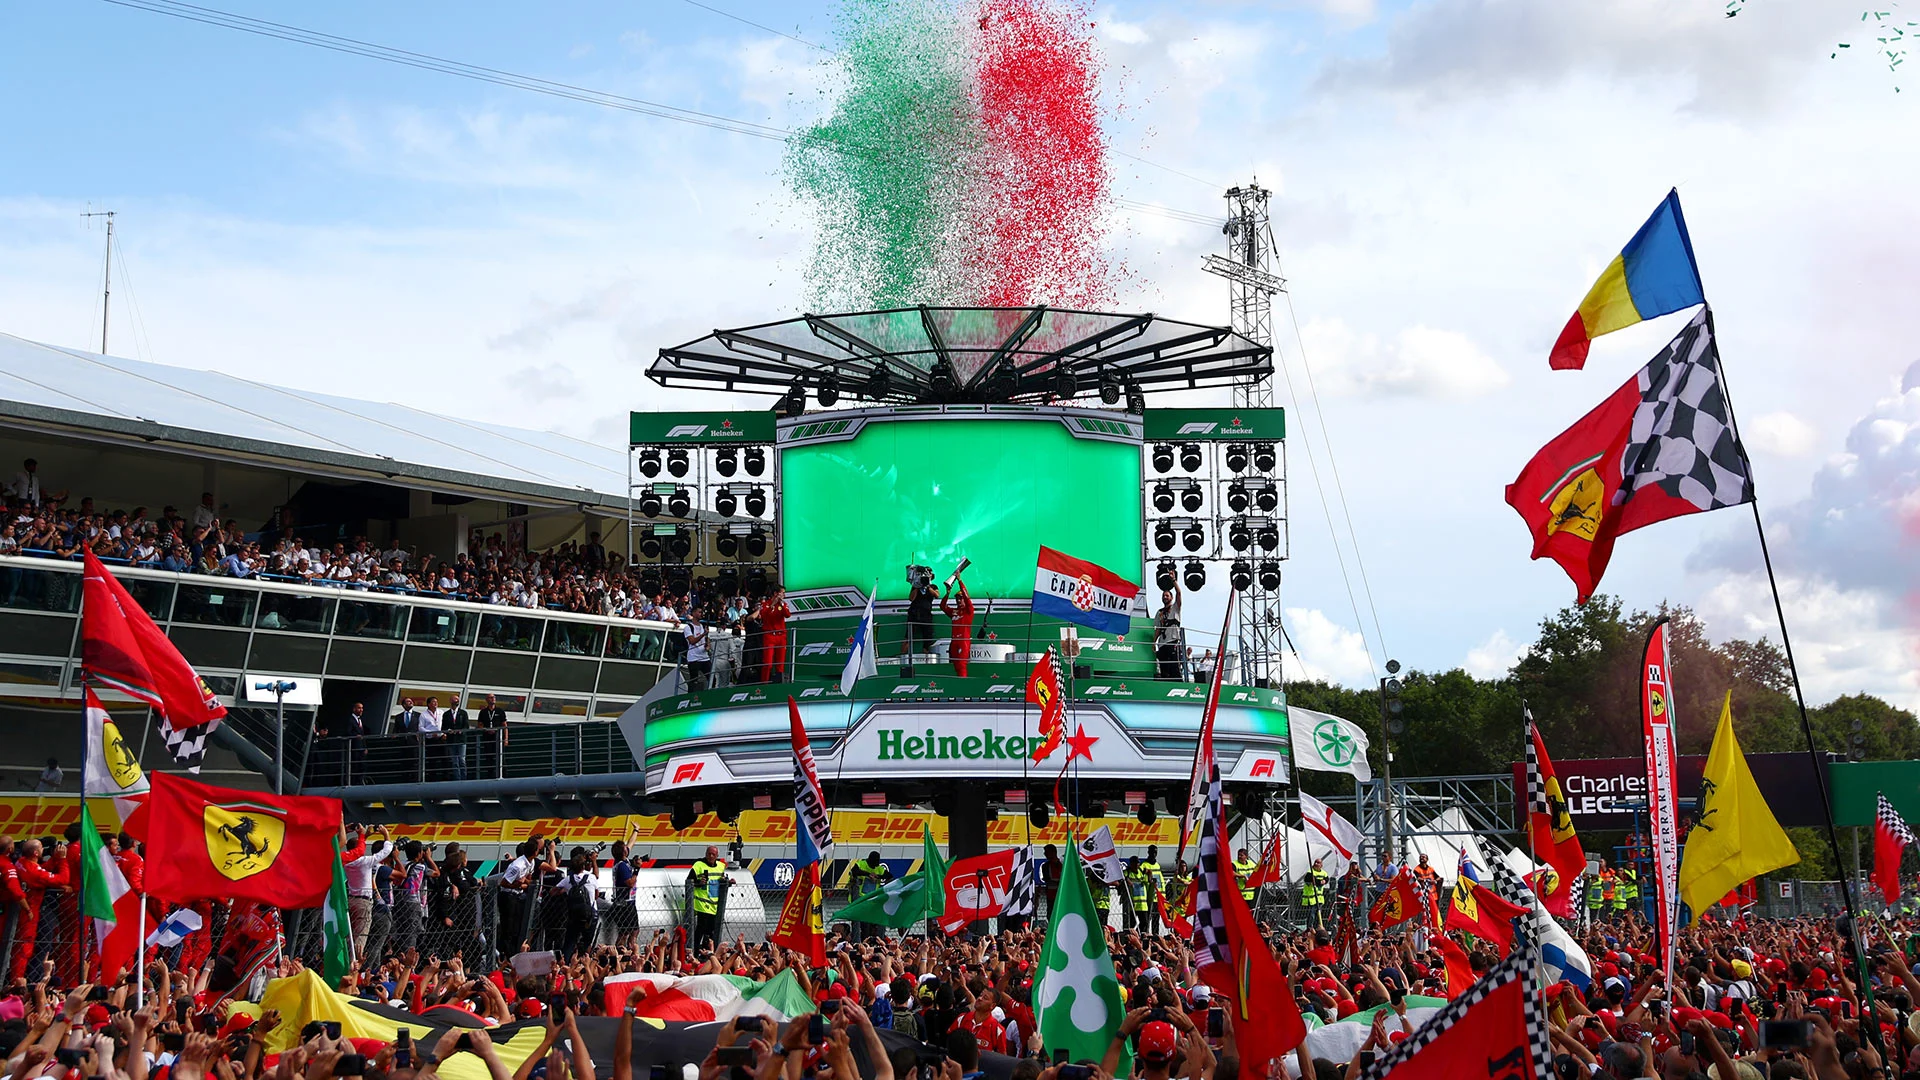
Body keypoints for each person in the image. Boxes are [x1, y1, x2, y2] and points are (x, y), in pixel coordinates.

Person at [687, 845, 727, 951]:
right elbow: (689, 882)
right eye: (709, 853)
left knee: (711, 931)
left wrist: (727, 882)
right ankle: (695, 951)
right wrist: (698, 883)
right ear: (706, 854)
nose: (710, 856)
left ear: (717, 856)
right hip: (702, 905)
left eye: (713, 854)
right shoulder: (698, 865)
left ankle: (707, 951)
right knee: (700, 929)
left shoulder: (721, 866)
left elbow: (722, 880)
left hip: (714, 905)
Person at [847, 850, 889, 941]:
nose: (875, 866)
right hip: (860, 899)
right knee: (861, 924)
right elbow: (854, 871)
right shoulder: (861, 864)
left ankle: (875, 940)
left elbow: (889, 875)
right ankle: (859, 942)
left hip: (872, 901)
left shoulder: (879, 869)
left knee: (871, 923)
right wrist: (868, 874)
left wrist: (878, 876)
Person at [940, 577, 975, 677]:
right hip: (954, 642)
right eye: (957, 599)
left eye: (961, 598)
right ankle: (956, 686)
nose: (959, 601)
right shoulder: (954, 612)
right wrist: (947, 594)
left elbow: (967, 598)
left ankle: (963, 688)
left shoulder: (969, 611)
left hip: (963, 642)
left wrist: (960, 581)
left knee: (961, 665)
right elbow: (942, 606)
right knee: (954, 666)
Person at [757, 587, 792, 683]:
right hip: (769, 636)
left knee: (780, 664)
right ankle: (764, 684)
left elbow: (787, 615)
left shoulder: (783, 604)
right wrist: (773, 604)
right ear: (776, 593)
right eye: (782, 593)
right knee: (768, 664)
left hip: (781, 636)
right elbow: (764, 615)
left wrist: (780, 603)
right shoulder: (765, 604)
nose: (784, 595)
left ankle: (779, 685)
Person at [1154, 581, 1184, 680]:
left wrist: (1174, 581)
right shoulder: (1159, 612)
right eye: (1163, 595)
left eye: (1167, 595)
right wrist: (1153, 642)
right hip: (1162, 644)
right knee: (1164, 670)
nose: (1165, 597)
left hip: (1172, 640)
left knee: (1174, 668)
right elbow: (1158, 628)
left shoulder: (1175, 607)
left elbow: (1179, 593)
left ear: (1171, 598)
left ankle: (1178, 687)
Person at [476, 692, 510, 779]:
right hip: (488, 737)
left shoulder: (500, 711)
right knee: (489, 758)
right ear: (487, 700)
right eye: (490, 697)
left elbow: (504, 725)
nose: (493, 699)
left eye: (494, 697)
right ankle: (490, 777)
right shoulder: (483, 712)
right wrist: (486, 730)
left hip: (498, 737)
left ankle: (504, 776)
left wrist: (506, 738)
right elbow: (480, 724)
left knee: (501, 758)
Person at [682, 603, 712, 690]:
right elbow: (692, 641)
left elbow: (707, 639)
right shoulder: (688, 627)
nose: (701, 614)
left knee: (711, 677)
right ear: (694, 613)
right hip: (694, 657)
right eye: (699, 612)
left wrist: (708, 646)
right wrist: (703, 634)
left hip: (704, 657)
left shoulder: (702, 626)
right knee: (694, 679)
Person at [1302, 857, 1331, 929]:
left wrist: (1325, 881)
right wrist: (1320, 882)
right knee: (1311, 915)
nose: (1316, 864)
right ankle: (1310, 928)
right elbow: (1312, 880)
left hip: (1319, 898)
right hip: (1311, 899)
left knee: (1319, 915)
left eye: (1318, 862)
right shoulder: (1310, 872)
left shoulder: (1324, 873)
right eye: (1315, 862)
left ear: (1321, 865)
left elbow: (1327, 879)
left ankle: (1318, 927)